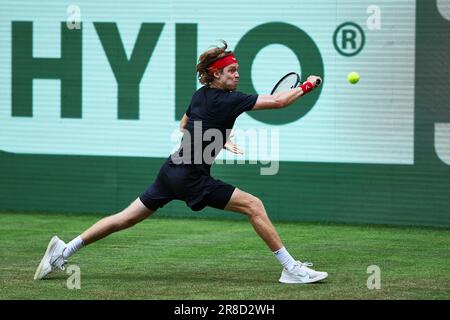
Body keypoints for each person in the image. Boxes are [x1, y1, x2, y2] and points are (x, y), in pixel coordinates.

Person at [34, 41, 327, 284]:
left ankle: (64, 250)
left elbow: (185, 123)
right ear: (215, 75)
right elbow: (278, 102)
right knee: (255, 206)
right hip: (191, 178)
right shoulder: (230, 100)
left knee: (125, 218)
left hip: (171, 171)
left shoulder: (200, 96)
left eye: (237, 70)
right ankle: (291, 269)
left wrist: (217, 138)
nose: (237, 76)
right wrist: (308, 85)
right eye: (231, 71)